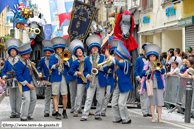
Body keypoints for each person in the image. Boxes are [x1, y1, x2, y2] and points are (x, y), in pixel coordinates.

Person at [80, 35, 109, 121]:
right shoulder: (86, 59)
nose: (95, 49)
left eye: (96, 47)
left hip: (101, 80)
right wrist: (87, 76)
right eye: (93, 48)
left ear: (98, 49)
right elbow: (84, 71)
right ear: (91, 49)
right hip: (91, 79)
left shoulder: (103, 58)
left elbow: (107, 69)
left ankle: (97, 114)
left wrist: (99, 67)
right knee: (89, 98)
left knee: (100, 99)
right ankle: (84, 115)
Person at [105, 41, 133, 124]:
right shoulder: (118, 63)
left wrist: (109, 56)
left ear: (120, 56)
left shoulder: (125, 62)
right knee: (114, 103)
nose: (114, 56)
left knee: (121, 103)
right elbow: (112, 65)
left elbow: (117, 63)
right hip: (118, 84)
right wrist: (108, 62)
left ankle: (126, 118)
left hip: (124, 85)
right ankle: (118, 118)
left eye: (115, 55)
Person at [141, 44, 165, 123]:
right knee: (152, 101)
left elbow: (163, 72)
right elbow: (143, 73)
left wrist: (159, 68)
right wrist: (149, 70)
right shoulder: (147, 64)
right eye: (150, 56)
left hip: (158, 84)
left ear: (156, 57)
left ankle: (160, 117)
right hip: (150, 84)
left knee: (159, 101)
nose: (152, 58)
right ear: (148, 57)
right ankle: (153, 117)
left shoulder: (159, 63)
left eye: (153, 56)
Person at [14, 41, 37, 121]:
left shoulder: (27, 61)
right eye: (28, 54)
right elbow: (19, 77)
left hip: (31, 81)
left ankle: (29, 115)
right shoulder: (18, 64)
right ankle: (23, 116)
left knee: (34, 98)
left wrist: (32, 65)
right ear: (23, 55)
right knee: (27, 99)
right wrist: (28, 84)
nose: (29, 56)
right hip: (25, 84)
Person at [49, 37, 70, 120]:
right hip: (55, 77)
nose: (59, 50)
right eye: (57, 49)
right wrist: (58, 64)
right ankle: (57, 112)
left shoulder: (66, 56)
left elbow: (69, 68)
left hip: (63, 77)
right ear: (55, 49)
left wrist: (66, 61)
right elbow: (51, 67)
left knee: (65, 95)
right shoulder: (52, 57)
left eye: (60, 49)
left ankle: (64, 110)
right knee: (55, 95)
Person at [2, 38, 22, 118]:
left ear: (16, 52)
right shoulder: (7, 61)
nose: (13, 52)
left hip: (18, 80)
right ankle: (13, 112)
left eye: (14, 50)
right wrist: (4, 77)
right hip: (10, 80)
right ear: (9, 52)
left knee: (18, 96)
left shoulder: (20, 60)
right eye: (11, 51)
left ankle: (18, 112)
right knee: (11, 97)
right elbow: (3, 71)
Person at [101, 39, 120, 117]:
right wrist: (108, 68)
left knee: (118, 97)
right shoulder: (110, 58)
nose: (115, 53)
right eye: (114, 51)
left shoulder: (120, 59)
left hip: (119, 80)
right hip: (111, 79)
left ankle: (118, 114)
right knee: (108, 95)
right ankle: (103, 111)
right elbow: (105, 68)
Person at [37, 40, 55, 117]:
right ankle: (46, 111)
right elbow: (38, 68)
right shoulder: (42, 60)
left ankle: (55, 110)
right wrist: (40, 73)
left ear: (52, 53)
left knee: (55, 95)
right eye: (46, 53)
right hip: (46, 80)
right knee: (47, 96)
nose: (47, 54)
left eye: (49, 53)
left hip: (54, 80)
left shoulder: (54, 59)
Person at [69, 39, 86, 117]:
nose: (79, 51)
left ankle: (85, 110)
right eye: (78, 51)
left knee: (87, 96)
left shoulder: (87, 59)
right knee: (78, 95)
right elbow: (70, 71)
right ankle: (76, 110)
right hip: (80, 80)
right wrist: (77, 73)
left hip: (88, 79)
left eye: (80, 50)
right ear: (76, 53)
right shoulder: (75, 62)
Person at [134, 43, 151, 117]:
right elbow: (135, 70)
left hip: (150, 80)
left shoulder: (153, 59)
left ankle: (150, 111)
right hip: (142, 80)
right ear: (144, 51)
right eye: (146, 49)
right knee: (143, 97)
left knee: (150, 96)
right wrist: (138, 78)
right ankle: (144, 112)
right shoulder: (139, 59)